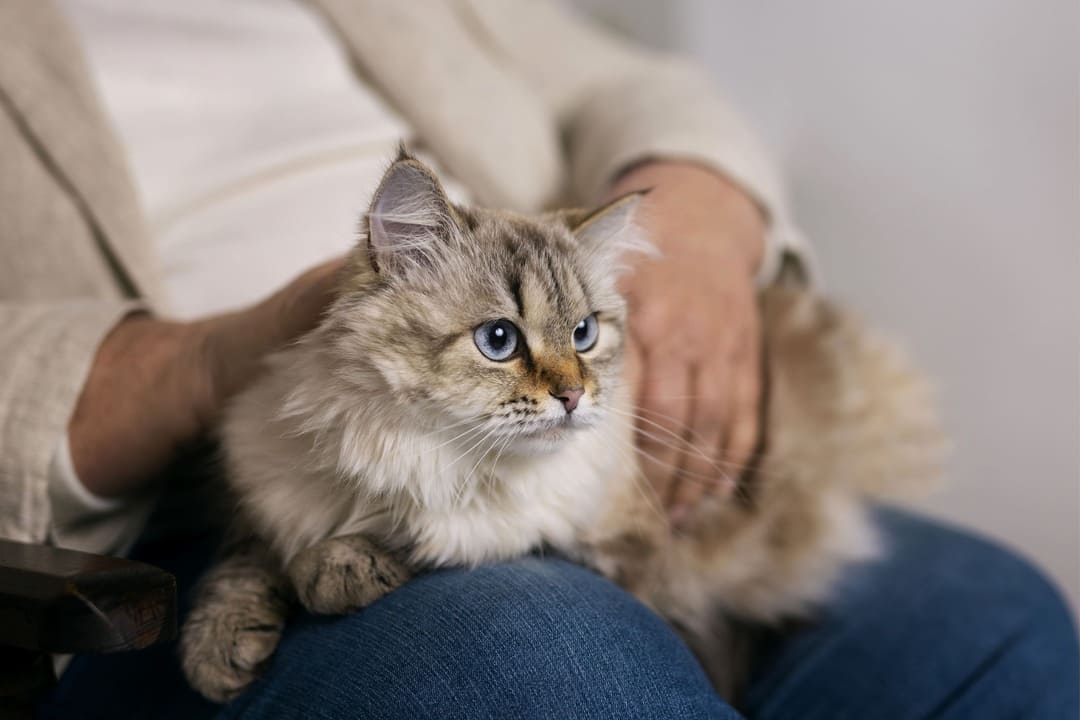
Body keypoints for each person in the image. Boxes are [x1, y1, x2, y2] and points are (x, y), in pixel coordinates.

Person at [0, 1, 1074, 718]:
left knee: (991, 621)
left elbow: (632, 83)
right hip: (182, 509)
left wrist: (698, 214)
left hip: (528, 391)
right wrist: (203, 360)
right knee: (554, 662)